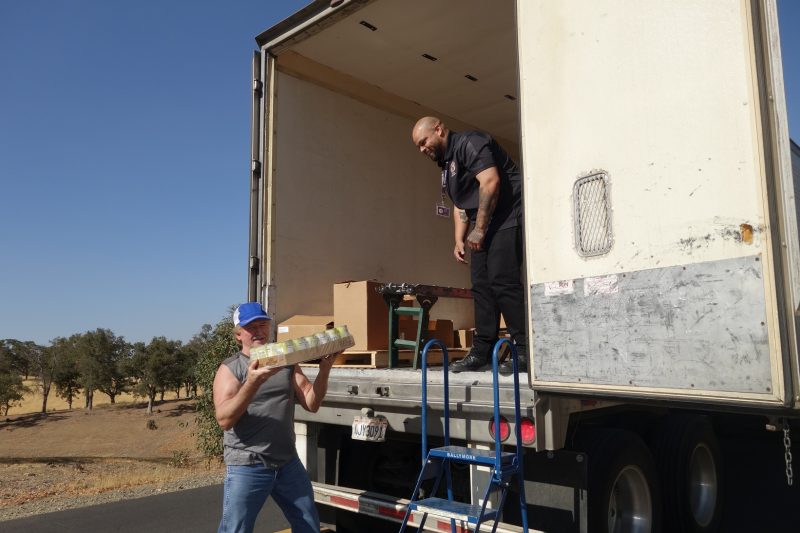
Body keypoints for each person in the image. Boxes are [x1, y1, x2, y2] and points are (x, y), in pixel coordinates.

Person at [411, 116, 528, 373]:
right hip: (483, 223)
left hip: (507, 216)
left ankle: (524, 350)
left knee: (502, 280)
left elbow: (490, 182)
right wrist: (458, 239)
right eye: (418, 146)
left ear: (439, 129)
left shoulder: (470, 143)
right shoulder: (447, 164)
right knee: (481, 286)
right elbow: (461, 204)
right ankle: (482, 351)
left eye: (424, 141)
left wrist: (480, 229)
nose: (422, 149)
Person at [213, 302, 337, 533]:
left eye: (263, 324)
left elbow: (312, 403)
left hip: (287, 462)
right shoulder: (231, 369)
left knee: (308, 523)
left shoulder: (286, 362)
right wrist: (252, 382)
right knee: (235, 529)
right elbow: (224, 420)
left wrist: (325, 368)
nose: (259, 331)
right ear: (239, 334)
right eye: (251, 327)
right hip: (248, 463)